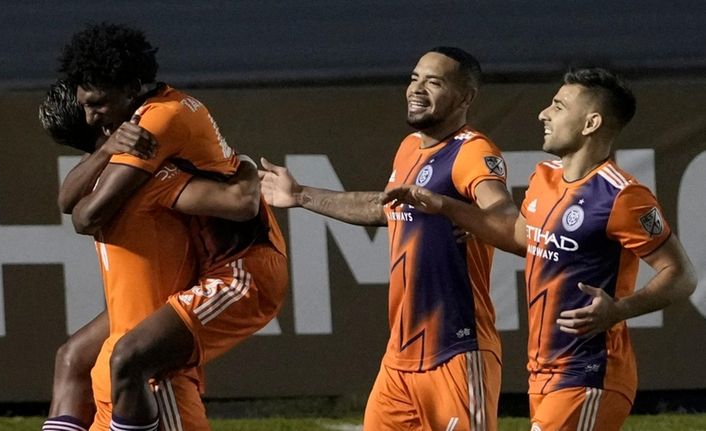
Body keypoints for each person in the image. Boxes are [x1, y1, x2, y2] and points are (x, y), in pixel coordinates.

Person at [381, 68, 697, 430]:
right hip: (543, 371)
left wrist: (619, 310)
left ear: (591, 123)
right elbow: (521, 238)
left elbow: (681, 274)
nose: (543, 113)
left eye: (559, 107)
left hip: (590, 372)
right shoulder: (544, 178)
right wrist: (449, 208)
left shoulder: (621, 196)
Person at [51, 22, 288, 431]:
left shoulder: (155, 129)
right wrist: (108, 148)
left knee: (131, 357)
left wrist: (247, 167)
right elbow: (68, 202)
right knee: (74, 356)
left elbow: (85, 217)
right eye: (85, 106)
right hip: (200, 269)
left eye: (99, 105)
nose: (92, 118)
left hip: (240, 270)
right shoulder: (140, 132)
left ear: (130, 88)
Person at [260, 47, 510, 430]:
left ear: (466, 97)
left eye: (434, 82)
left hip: (456, 349)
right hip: (400, 357)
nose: (416, 89)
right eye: (414, 78)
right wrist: (300, 196)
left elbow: (504, 215)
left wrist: (468, 216)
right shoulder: (410, 148)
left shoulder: (472, 151)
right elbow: (385, 209)